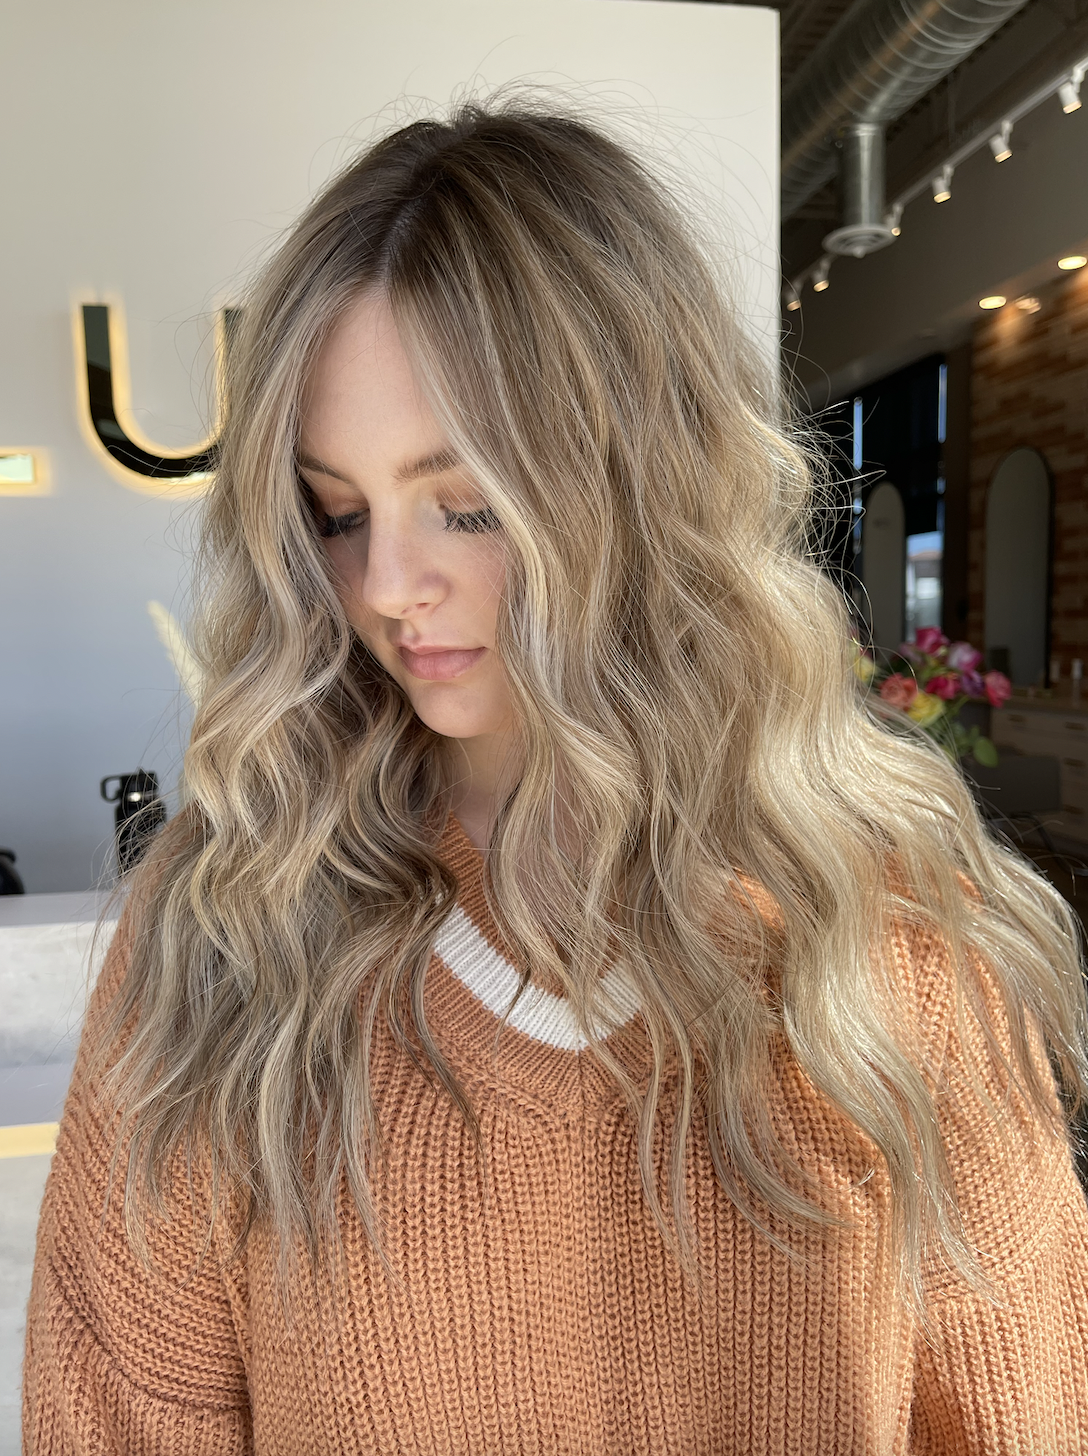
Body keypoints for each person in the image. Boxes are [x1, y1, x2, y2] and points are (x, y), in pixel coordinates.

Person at [22, 96, 1088, 1453]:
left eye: (464, 503)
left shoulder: (888, 940)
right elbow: (114, 1414)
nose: (387, 586)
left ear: (642, 483)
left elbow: (1027, 1411)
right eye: (337, 511)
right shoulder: (230, 928)